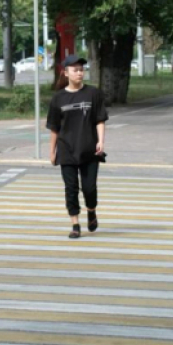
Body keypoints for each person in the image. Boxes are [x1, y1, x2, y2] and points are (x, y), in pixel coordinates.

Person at [46, 54, 108, 239]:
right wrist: (52, 151)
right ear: (66, 73)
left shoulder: (93, 93)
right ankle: (75, 224)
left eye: (82, 70)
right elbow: (54, 128)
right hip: (66, 150)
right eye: (75, 70)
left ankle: (91, 210)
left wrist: (101, 140)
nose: (80, 73)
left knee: (89, 188)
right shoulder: (58, 98)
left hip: (89, 149)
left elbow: (100, 119)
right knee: (71, 188)